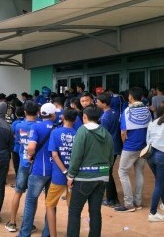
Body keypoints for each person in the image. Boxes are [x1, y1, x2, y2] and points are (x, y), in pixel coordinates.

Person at [66, 106, 114, 236]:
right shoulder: (107, 134)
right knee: (95, 212)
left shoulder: (82, 131)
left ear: (85, 117)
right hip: (102, 177)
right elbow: (111, 158)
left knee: (74, 211)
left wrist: (71, 175)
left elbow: (76, 156)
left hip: (84, 178)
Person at [18, 103, 57, 237]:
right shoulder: (58, 128)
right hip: (54, 171)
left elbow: (31, 147)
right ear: (53, 115)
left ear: (41, 113)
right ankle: (47, 233)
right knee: (51, 204)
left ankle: (24, 233)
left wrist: (30, 156)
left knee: (30, 201)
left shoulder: (37, 126)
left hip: (39, 170)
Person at [115, 87, 152, 212]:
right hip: (144, 146)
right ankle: (138, 201)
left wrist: (124, 143)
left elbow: (123, 132)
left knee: (122, 172)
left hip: (130, 146)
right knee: (139, 172)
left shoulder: (127, 111)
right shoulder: (147, 111)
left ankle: (128, 203)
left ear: (130, 97)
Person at [5, 101, 39, 233]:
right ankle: (28, 224)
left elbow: (18, 145)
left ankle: (12, 222)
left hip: (23, 164)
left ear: (24, 112)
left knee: (18, 192)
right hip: (36, 166)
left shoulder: (19, 126)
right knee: (32, 196)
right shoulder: (40, 127)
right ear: (37, 112)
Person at [47, 109, 78, 237]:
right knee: (73, 208)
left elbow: (54, 154)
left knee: (50, 204)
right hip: (74, 176)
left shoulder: (55, 132)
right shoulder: (78, 133)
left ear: (63, 117)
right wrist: (70, 173)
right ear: (75, 120)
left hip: (58, 176)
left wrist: (64, 171)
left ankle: (53, 235)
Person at [96, 92, 121, 207]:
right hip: (115, 146)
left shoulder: (105, 118)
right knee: (108, 173)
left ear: (104, 104)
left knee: (106, 173)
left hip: (108, 148)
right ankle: (113, 197)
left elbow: (103, 136)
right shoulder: (114, 112)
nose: (96, 102)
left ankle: (111, 199)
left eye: (98, 101)